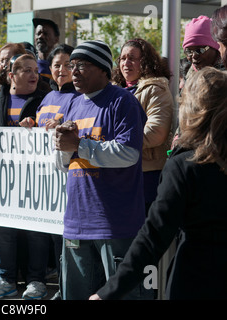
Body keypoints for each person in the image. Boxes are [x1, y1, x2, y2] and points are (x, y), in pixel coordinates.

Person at [89, 66, 227, 300]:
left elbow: (154, 237)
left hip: (195, 280)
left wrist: (108, 292)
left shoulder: (185, 166)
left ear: (193, 108)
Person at [54, 40, 151, 300]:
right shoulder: (72, 105)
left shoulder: (123, 102)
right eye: (71, 65)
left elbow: (128, 154)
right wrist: (63, 148)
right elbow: (65, 165)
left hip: (115, 224)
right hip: (76, 223)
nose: (73, 71)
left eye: (82, 65)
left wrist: (79, 145)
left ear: (104, 71)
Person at [0, 54, 48, 300]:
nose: (33, 75)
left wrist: (38, 127)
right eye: (26, 70)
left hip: (33, 180)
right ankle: (5, 279)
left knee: (35, 232)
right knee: (4, 232)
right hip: (1, 181)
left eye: (35, 71)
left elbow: (52, 130)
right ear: (11, 76)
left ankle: (36, 281)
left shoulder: (44, 101)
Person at [20, 43, 79, 301]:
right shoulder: (47, 97)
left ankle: (67, 288)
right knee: (39, 234)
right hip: (42, 180)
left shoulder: (79, 96)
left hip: (66, 178)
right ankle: (38, 282)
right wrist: (31, 123)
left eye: (68, 64)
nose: (62, 69)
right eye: (57, 65)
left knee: (62, 238)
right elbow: (40, 127)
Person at [112, 38, 174, 213]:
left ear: (145, 62)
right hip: (117, 173)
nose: (126, 63)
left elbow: (156, 132)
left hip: (145, 176)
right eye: (122, 58)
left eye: (132, 58)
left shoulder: (156, 89)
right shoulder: (112, 91)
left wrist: (117, 144)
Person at [182, 15, 222, 81]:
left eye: (200, 50)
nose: (194, 56)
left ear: (215, 48)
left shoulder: (224, 78)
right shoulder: (188, 76)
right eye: (189, 52)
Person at [33, 18, 60, 88]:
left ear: (56, 39)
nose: (41, 36)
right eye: (38, 33)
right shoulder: (29, 63)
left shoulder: (61, 66)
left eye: (45, 33)